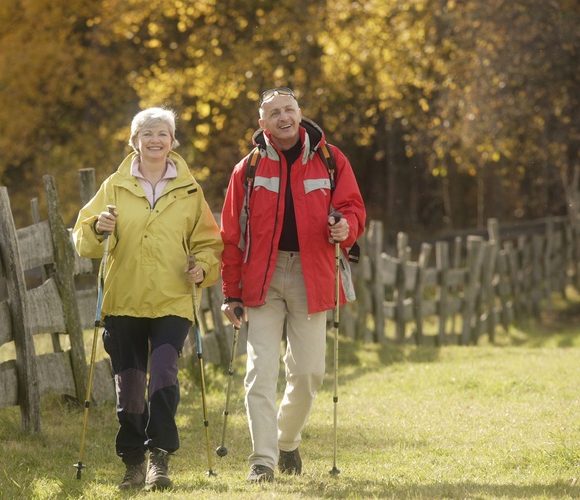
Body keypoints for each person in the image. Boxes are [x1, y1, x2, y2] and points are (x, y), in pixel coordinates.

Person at [219, 87, 366, 483]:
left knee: (308, 373)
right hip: (261, 281)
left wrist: (344, 226)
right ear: (262, 123)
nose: (283, 117)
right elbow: (231, 236)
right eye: (274, 113)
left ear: (300, 114)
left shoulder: (331, 160)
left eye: (289, 109)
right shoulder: (246, 169)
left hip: (312, 274)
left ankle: (286, 440)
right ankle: (262, 460)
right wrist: (230, 292)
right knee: (260, 371)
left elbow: (353, 208)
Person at [73, 106, 223, 491]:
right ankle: (133, 461)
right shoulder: (114, 185)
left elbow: (209, 243)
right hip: (124, 300)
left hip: (173, 300)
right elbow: (84, 240)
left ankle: (160, 459)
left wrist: (202, 268)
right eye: (147, 134)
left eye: (163, 134)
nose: (155, 140)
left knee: (163, 375)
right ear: (133, 141)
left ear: (173, 142)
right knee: (130, 386)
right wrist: (98, 228)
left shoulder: (190, 190)